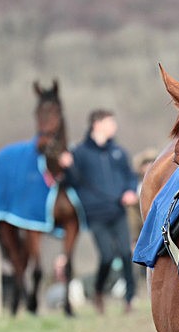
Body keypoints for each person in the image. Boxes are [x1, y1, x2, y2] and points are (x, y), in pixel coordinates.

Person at [59, 110, 138, 313]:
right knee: (107, 256)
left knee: (125, 253)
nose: (114, 126)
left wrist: (130, 190)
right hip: (95, 214)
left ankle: (129, 300)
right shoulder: (80, 153)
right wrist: (67, 167)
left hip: (118, 211)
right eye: (110, 122)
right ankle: (98, 291)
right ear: (97, 124)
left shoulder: (118, 152)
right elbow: (71, 182)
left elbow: (129, 176)